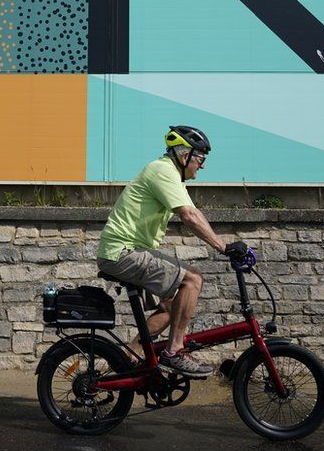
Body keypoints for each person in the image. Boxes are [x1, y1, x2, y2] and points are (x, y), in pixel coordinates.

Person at [96, 125, 249, 377]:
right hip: (123, 251)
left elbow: (193, 212)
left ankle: (131, 355)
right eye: (200, 158)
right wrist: (223, 247)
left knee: (171, 305)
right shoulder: (163, 170)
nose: (202, 165)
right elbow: (189, 215)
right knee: (193, 279)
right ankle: (174, 352)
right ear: (183, 153)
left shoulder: (169, 174)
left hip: (126, 251)